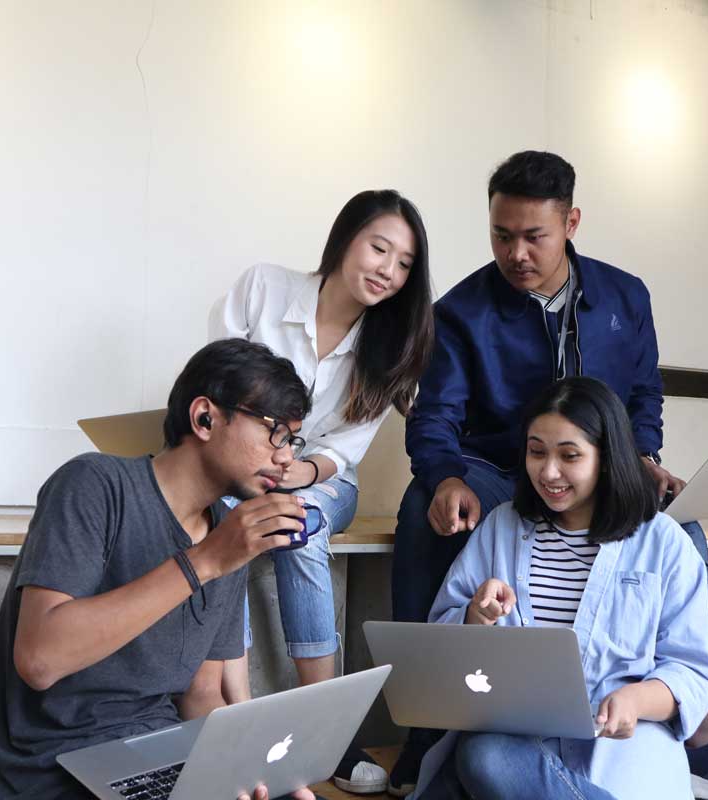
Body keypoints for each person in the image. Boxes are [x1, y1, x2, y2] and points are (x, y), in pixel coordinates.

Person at [389, 151, 708, 800]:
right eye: (501, 235)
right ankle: (426, 732)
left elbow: (645, 394)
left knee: (681, 525)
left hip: (603, 463)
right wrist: (446, 476)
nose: (515, 253)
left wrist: (641, 458)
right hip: (500, 469)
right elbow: (436, 416)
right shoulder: (461, 311)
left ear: (571, 223)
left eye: (533, 236)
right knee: (425, 505)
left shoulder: (624, 295)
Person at [0, 338, 317, 800]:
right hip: (57, 770)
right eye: (274, 432)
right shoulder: (94, 485)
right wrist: (205, 560)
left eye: (292, 440)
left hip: (160, 757)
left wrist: (250, 769)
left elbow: (201, 695)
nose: (286, 458)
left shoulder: (227, 534)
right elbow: (40, 660)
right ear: (204, 418)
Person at [208, 189, 434, 793]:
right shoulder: (263, 288)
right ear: (344, 239)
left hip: (324, 480)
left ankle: (325, 731)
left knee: (299, 525)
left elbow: (344, 451)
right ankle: (238, 716)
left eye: (404, 263)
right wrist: (258, 467)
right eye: (379, 248)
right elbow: (213, 381)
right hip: (236, 470)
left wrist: (298, 475)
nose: (388, 270)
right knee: (219, 520)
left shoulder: (389, 346)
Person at [412, 377, 708, 799]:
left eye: (569, 455)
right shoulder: (501, 528)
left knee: (483, 762)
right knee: (485, 757)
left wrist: (636, 700)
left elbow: (694, 670)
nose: (549, 472)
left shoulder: (663, 541)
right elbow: (438, 649)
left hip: (619, 745)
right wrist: (474, 616)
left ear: (607, 458)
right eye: (536, 451)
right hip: (512, 740)